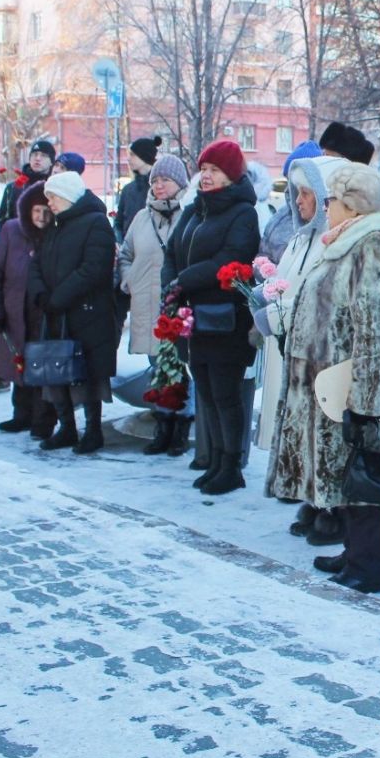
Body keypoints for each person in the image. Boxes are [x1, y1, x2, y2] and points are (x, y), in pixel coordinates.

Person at [270, 163, 380, 594]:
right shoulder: (345, 242)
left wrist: (366, 404)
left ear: (352, 206)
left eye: (331, 200)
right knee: (342, 474)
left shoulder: (372, 247)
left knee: (363, 476)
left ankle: (368, 567)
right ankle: (353, 551)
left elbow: (377, 330)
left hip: (353, 387)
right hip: (333, 384)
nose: (324, 207)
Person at [257, 155, 349, 543]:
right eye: (296, 193)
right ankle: (312, 496)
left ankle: (335, 506)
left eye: (308, 193)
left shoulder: (336, 240)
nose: (298, 201)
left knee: (327, 432)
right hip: (291, 349)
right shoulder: (300, 239)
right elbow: (284, 283)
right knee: (302, 431)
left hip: (322, 353)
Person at [162, 140, 259, 494]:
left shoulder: (243, 212)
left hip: (225, 317)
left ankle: (232, 465)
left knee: (225, 393)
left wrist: (183, 279)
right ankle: (216, 460)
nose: (206, 176)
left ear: (231, 175)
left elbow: (231, 256)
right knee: (204, 389)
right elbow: (173, 250)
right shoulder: (195, 209)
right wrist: (171, 285)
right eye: (203, 169)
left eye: (214, 170)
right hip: (193, 314)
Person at [28, 171, 118, 454]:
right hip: (56, 312)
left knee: (88, 373)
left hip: (86, 313)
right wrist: (41, 294)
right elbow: (37, 263)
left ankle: (92, 431)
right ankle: (66, 427)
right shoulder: (55, 226)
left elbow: (94, 268)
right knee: (56, 370)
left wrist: (60, 297)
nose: (49, 203)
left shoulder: (96, 223)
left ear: (67, 195)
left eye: (53, 197)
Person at [118, 153, 194, 457]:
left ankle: (182, 425)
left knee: (182, 367)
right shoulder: (141, 217)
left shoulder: (189, 213)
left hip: (179, 307)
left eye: (166, 179)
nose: (159, 185)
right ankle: (162, 424)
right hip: (147, 304)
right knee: (157, 367)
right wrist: (129, 281)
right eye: (156, 180)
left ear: (180, 183)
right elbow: (126, 254)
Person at [0, 182, 57, 438]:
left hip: (44, 313)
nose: (41, 217)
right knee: (18, 365)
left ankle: (43, 420)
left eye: (47, 211)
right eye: (37, 211)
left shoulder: (57, 234)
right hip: (15, 312)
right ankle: (21, 415)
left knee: (42, 367)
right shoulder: (12, 231)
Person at [260, 140, 323, 262]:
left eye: (301, 183)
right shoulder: (279, 217)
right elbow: (263, 253)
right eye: (288, 179)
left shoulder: (328, 225)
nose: (291, 186)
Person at [0, 139, 55, 235]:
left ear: (52, 161)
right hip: (18, 246)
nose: (38, 158)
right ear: (30, 158)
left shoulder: (56, 188)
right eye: (34, 154)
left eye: (43, 155)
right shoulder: (14, 187)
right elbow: (0, 223)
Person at [114, 136, 160, 243]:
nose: (128, 158)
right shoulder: (128, 189)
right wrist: (120, 242)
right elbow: (118, 223)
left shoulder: (160, 188)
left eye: (133, 155)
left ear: (144, 156)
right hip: (128, 252)